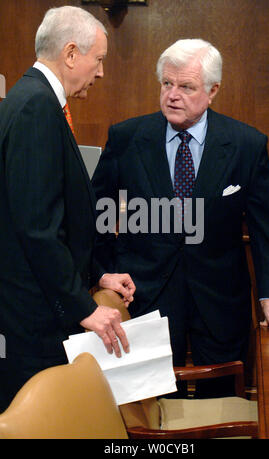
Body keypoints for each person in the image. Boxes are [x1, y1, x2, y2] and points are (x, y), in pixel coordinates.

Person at [92, 38, 269, 397]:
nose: (173, 95)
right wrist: (101, 271)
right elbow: (95, 215)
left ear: (212, 90)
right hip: (143, 296)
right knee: (146, 409)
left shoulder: (246, 144)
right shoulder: (126, 138)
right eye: (166, 84)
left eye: (186, 87)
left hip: (219, 299)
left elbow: (268, 231)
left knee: (220, 403)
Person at [0, 6, 135, 413]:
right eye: (99, 60)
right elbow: (38, 228)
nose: (101, 72)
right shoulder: (36, 107)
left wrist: (98, 274)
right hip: (34, 322)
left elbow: (59, 218)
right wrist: (85, 308)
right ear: (72, 53)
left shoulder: (32, 99)